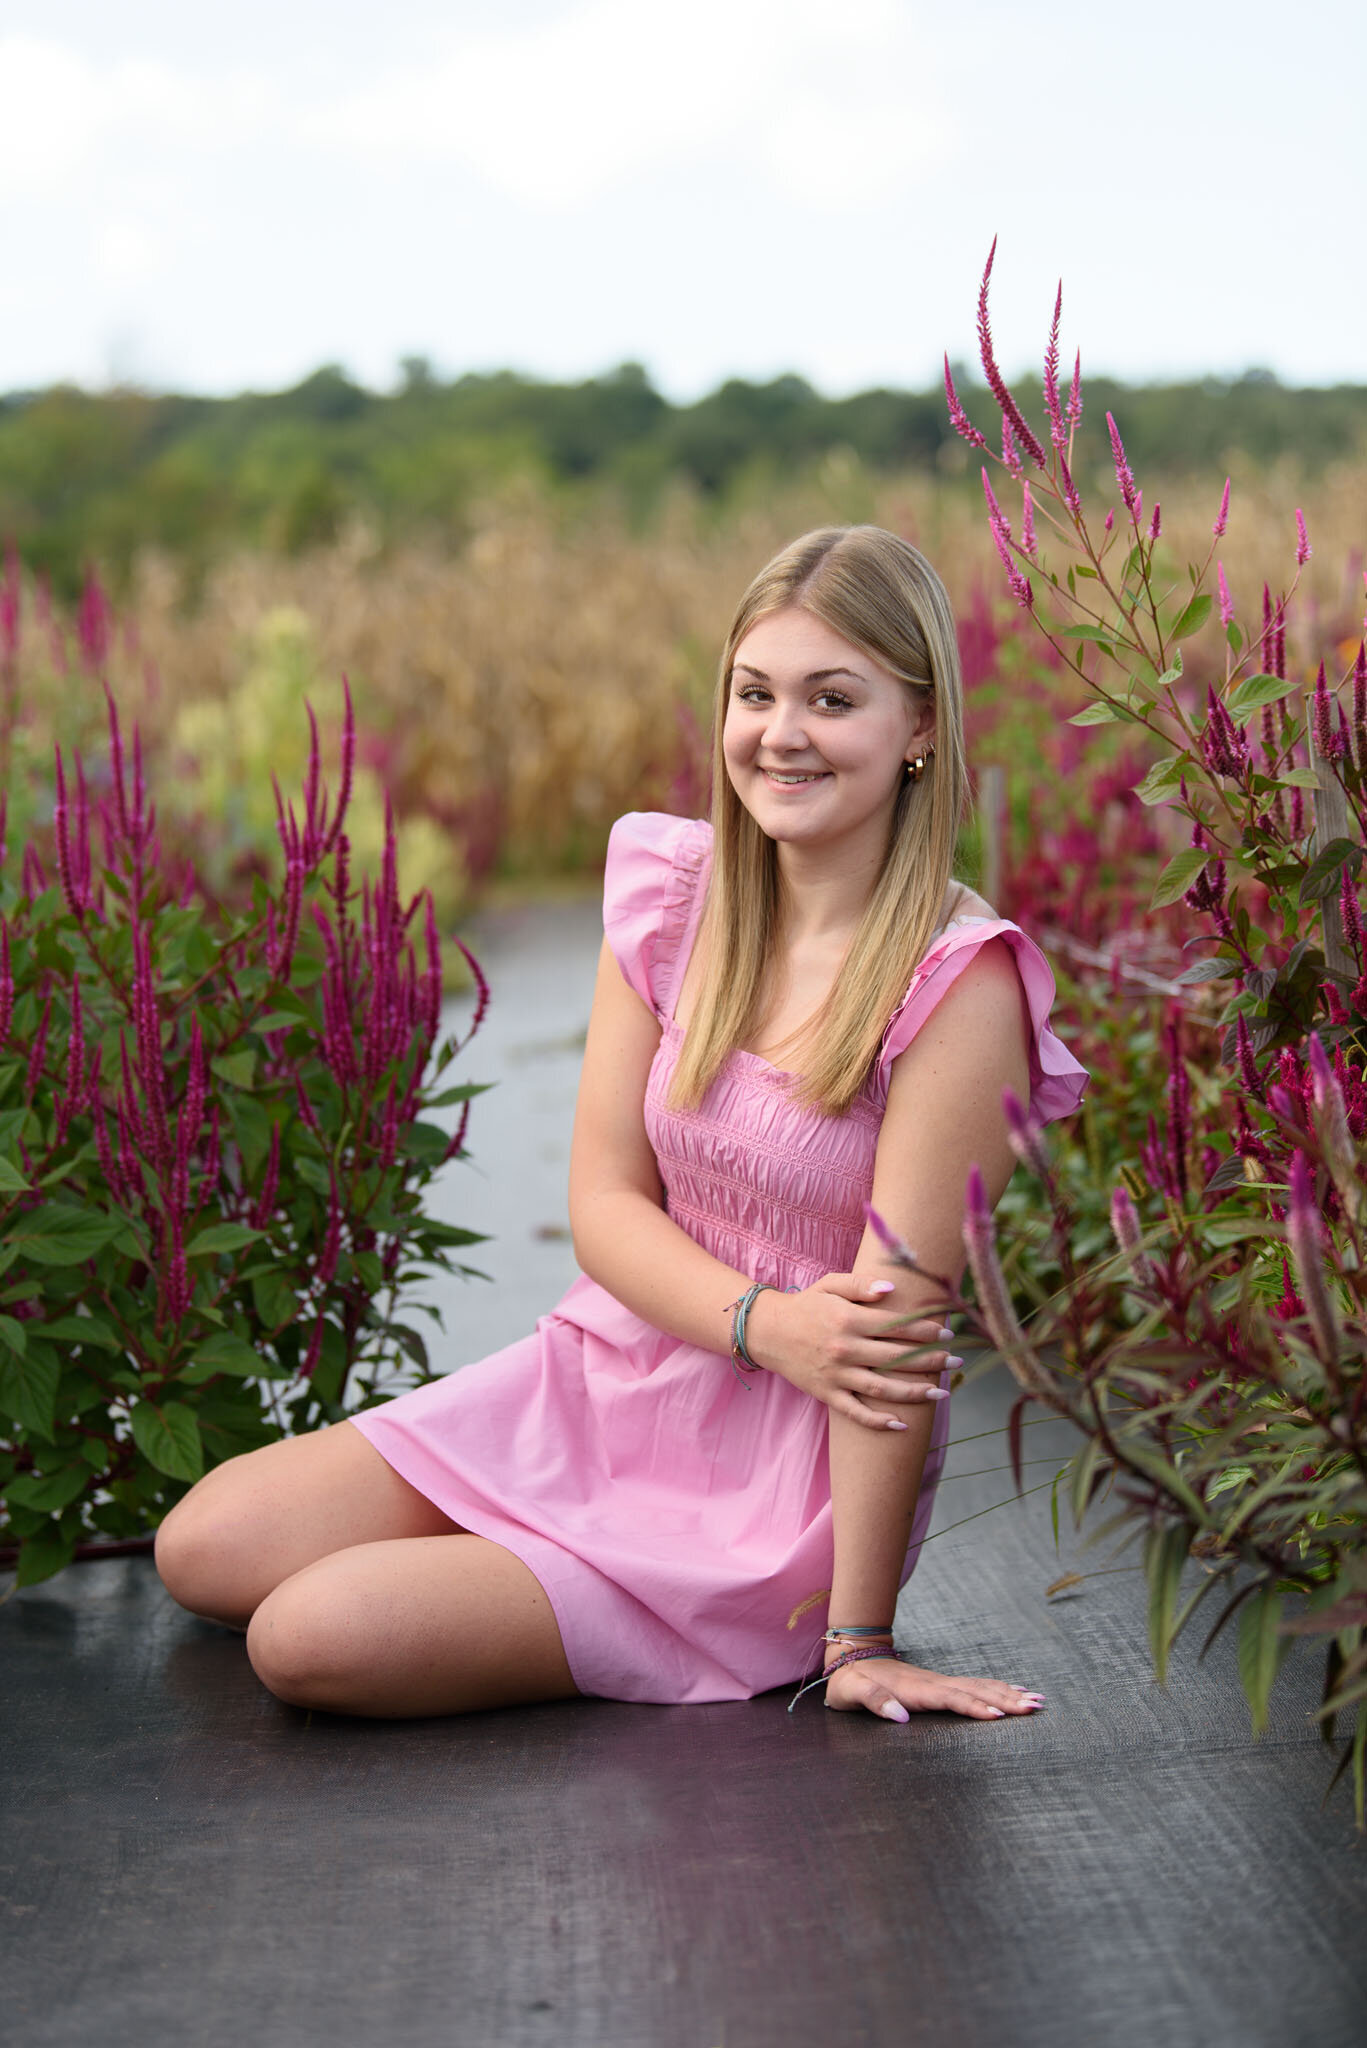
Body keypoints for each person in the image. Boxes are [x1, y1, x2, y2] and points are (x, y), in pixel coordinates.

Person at [155, 525, 1086, 1726]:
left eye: (831, 697)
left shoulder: (959, 985)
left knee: (306, 1637)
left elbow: (884, 1341)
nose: (780, 732)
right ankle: (523, 1546)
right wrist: (762, 1322)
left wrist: (857, 1637)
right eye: (755, 693)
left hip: (766, 1492)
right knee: (206, 1542)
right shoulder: (672, 896)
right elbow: (601, 1204)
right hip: (613, 1371)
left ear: (917, 728)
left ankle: (624, 1598)